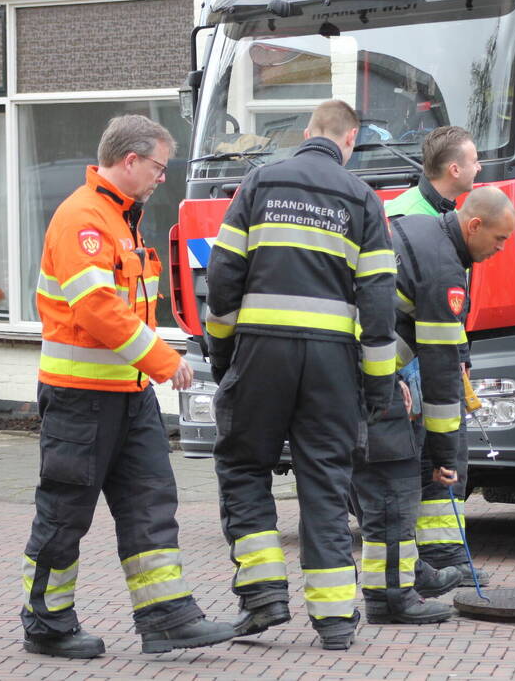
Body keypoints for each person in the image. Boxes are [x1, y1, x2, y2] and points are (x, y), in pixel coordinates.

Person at [21, 115, 235, 658]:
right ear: (131, 161)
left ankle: (167, 617)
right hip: (80, 396)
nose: (163, 177)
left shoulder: (122, 220)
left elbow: (124, 309)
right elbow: (95, 309)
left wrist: (155, 357)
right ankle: (46, 623)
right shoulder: (85, 219)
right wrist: (162, 359)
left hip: (128, 393)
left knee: (150, 503)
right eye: (159, 166)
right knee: (66, 510)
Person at [205, 100, 397, 651]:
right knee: (326, 480)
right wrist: (378, 385)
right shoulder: (363, 198)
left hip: (261, 356)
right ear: (351, 140)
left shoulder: (260, 181)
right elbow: (379, 304)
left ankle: (263, 597)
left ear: (307, 132)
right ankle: (335, 621)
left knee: (243, 466)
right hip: (332, 365)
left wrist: (225, 359)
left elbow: (222, 281)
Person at [371, 187, 515, 598]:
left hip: (357, 367)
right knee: (393, 474)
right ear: (473, 226)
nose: (501, 249)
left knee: (385, 476)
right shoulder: (444, 267)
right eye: (499, 239)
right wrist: (446, 454)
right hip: (362, 372)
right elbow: (440, 371)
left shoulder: (424, 230)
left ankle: (422, 566)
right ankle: (396, 589)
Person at [384, 126, 481, 218]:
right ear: (455, 170)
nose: (479, 167)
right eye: (474, 162)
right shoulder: (403, 220)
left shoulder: (448, 211)